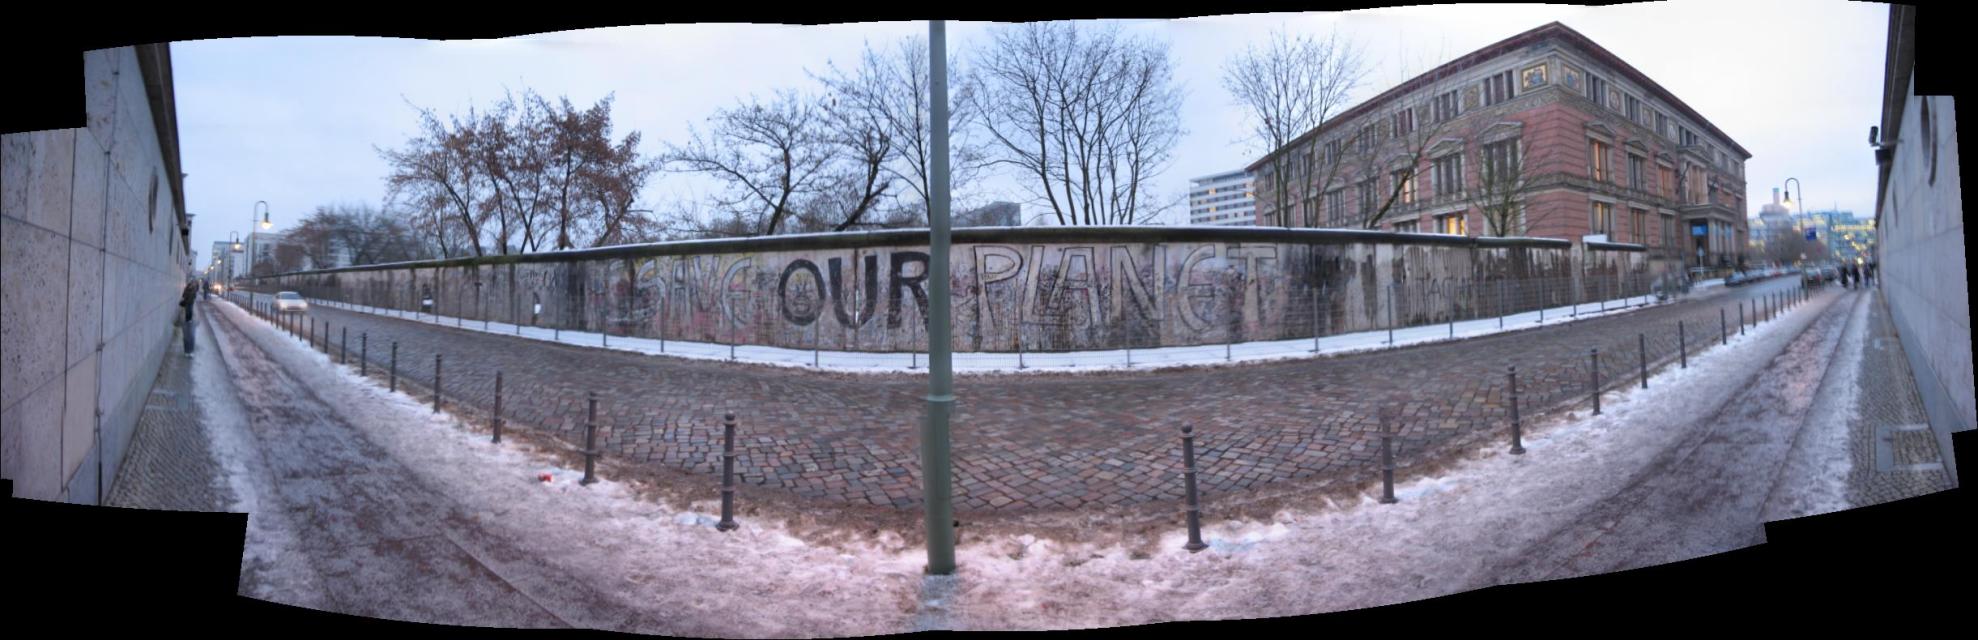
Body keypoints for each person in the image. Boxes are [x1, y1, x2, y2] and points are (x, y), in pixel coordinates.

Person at [178, 279, 199, 356]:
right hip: (188, 307)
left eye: (194, 283)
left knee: (191, 336)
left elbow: (193, 296)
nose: (193, 284)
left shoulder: (194, 289)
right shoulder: (188, 288)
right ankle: (187, 351)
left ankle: (190, 351)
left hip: (192, 320)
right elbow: (184, 295)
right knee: (186, 336)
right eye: (192, 283)